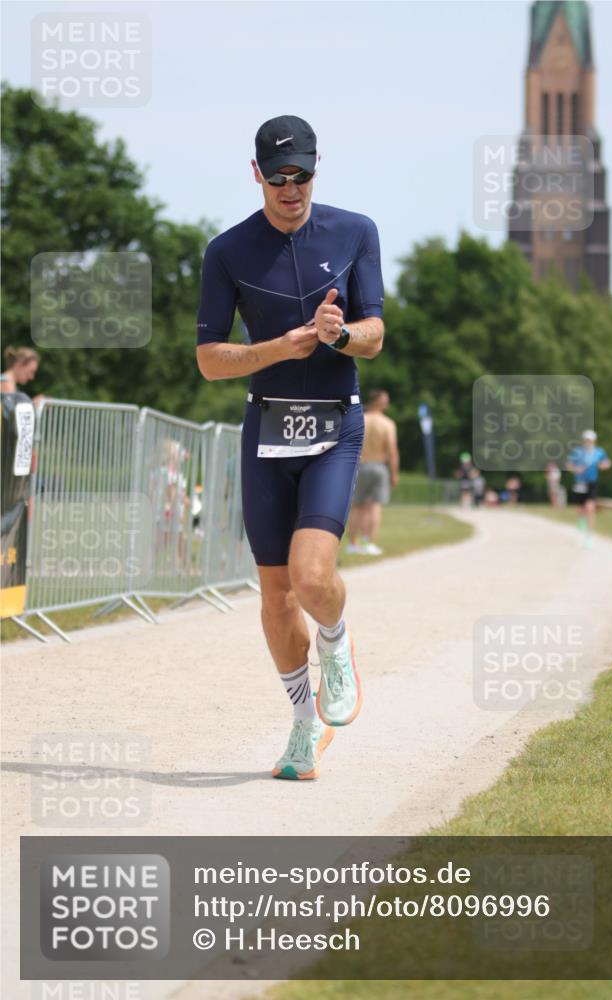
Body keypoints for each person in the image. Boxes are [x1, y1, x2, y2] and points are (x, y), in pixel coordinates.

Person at [196, 115, 384, 781]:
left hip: (335, 423)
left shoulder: (355, 231)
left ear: (315, 168)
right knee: (275, 595)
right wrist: (280, 347)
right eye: (277, 177)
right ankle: (303, 727)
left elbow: (375, 336)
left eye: (301, 174)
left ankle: (336, 643)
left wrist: (337, 337)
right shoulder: (227, 251)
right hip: (268, 426)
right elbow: (210, 361)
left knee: (311, 577)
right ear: (256, 175)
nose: (290, 187)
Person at [346, 389, 399, 555]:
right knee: (374, 507)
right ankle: (367, 543)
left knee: (356, 506)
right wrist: (394, 473)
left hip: (359, 466)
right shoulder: (387, 424)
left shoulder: (359, 418)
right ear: (381, 403)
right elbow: (392, 451)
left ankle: (353, 544)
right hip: (378, 467)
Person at [566, 430, 612, 547]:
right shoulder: (578, 452)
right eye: (587, 440)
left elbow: (606, 462)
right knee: (579, 508)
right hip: (580, 483)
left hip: (592, 483)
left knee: (590, 508)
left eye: (590, 440)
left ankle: (589, 537)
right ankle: (581, 520)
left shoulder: (599, 452)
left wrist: (604, 465)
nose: (588, 442)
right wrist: (576, 469)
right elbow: (568, 464)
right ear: (584, 441)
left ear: (594, 441)